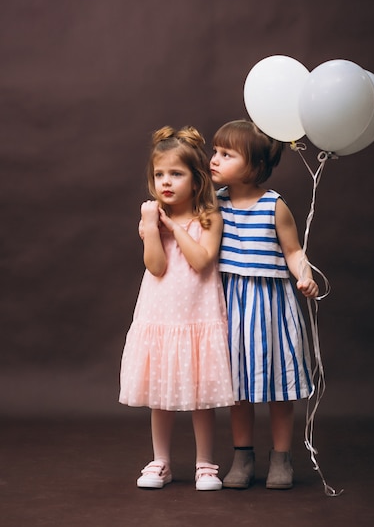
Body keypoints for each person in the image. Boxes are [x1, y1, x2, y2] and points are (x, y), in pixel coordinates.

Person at [119, 125, 234, 491]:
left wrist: (173, 225)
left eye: (176, 174)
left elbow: (201, 260)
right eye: (159, 174)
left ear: (197, 180)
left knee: (203, 396)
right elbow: (155, 266)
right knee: (160, 394)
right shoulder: (151, 220)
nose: (166, 182)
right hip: (161, 316)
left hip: (198, 315)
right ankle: (161, 461)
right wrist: (152, 228)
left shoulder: (208, 219)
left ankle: (205, 463)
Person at [210, 119, 318, 490]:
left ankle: (281, 457)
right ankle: (243, 456)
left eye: (226, 154)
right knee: (238, 389)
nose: (214, 159)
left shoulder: (274, 205)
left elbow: (293, 250)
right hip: (230, 305)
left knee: (278, 387)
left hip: (270, 306)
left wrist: (304, 276)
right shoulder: (215, 204)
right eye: (215, 152)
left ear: (254, 166)